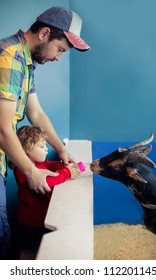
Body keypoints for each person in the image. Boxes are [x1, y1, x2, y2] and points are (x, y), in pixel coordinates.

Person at [0, 6, 90, 259]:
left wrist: (61, 149)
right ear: (44, 33)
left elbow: (36, 114)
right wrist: (31, 172)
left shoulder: (24, 63)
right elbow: (2, 127)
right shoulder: (8, 57)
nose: (59, 58)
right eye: (60, 49)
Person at [9, 125, 81, 259]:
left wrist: (64, 165)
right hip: (30, 224)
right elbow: (46, 182)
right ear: (27, 149)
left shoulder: (39, 163)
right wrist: (67, 173)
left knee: (39, 250)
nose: (47, 149)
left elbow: (50, 165)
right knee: (28, 254)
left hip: (41, 220)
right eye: (42, 147)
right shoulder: (23, 170)